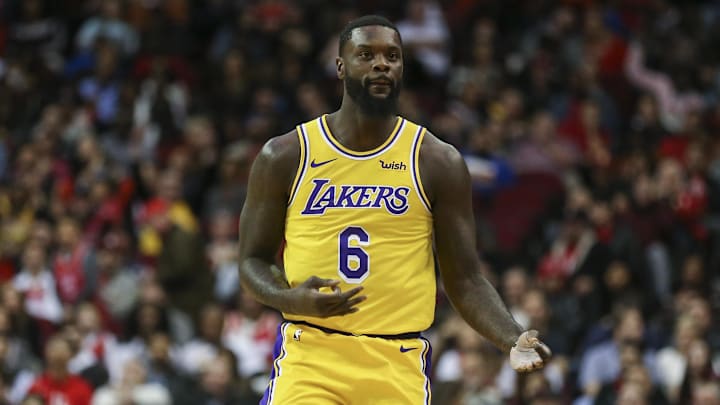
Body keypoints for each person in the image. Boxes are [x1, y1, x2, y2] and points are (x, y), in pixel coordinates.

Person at [238, 15, 551, 404]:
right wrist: (289, 299)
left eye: (392, 56)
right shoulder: (286, 155)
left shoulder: (436, 161)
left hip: (397, 361)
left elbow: (466, 279)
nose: (381, 63)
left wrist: (511, 337)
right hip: (312, 357)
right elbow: (252, 261)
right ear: (340, 66)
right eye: (366, 54)